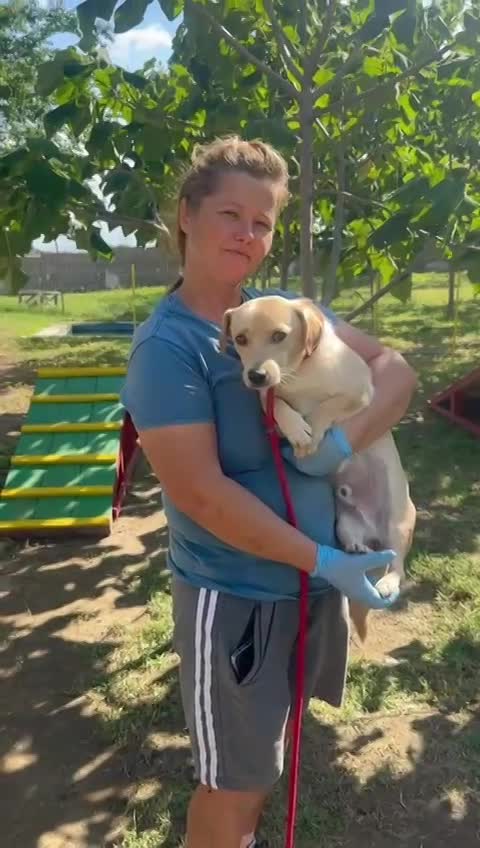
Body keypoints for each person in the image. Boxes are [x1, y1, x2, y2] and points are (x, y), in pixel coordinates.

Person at [121, 135, 416, 848]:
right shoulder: (168, 349)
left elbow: (395, 369)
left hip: (305, 590)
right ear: (187, 215)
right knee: (231, 784)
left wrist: (345, 442)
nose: (247, 235)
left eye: (263, 222)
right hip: (238, 600)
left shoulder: (280, 315)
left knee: (263, 767)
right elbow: (203, 496)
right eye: (230, 214)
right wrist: (324, 561)